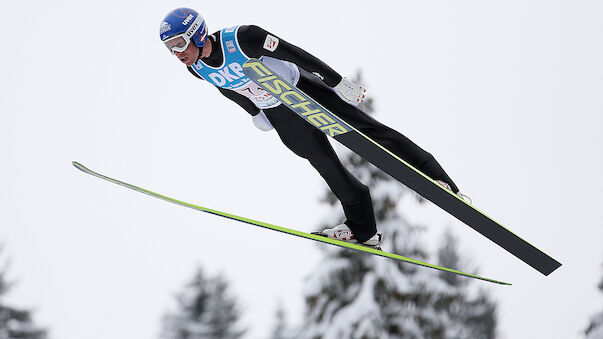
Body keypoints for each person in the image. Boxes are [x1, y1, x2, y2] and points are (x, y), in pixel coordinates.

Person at [159, 8, 461, 248]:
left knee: (367, 131)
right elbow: (227, 88)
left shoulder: (242, 38)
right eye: (169, 48)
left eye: (179, 43)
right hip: (278, 113)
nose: (176, 53)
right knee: (325, 165)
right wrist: (254, 113)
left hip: (300, 89)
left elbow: (294, 53)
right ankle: (362, 229)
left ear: (197, 34)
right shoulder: (196, 69)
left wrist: (335, 81)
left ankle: (434, 176)